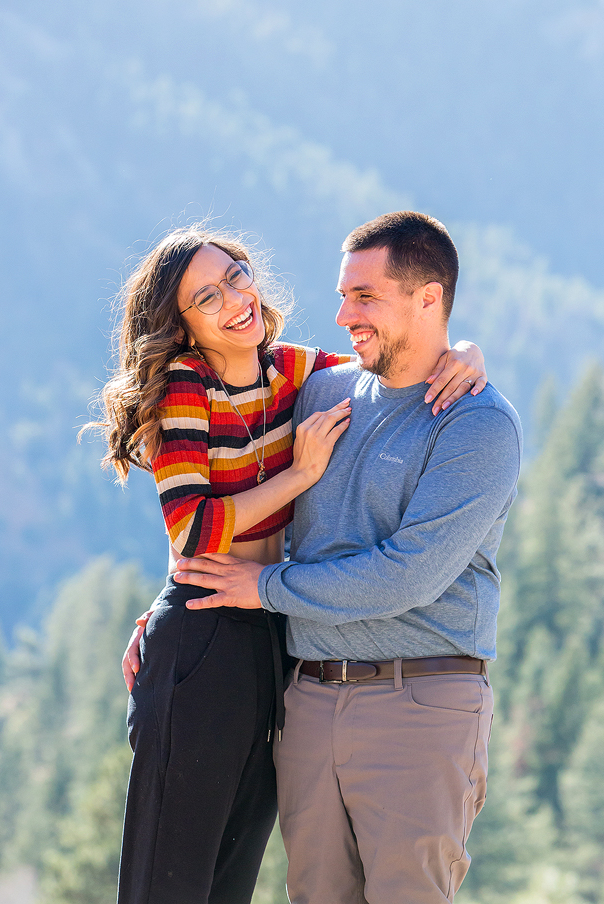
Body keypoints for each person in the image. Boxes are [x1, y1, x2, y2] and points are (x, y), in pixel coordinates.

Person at [102, 224, 487, 904]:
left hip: (271, 638)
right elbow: (193, 532)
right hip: (206, 630)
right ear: (182, 326)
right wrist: (298, 474)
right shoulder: (185, 389)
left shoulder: (296, 374)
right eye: (206, 298)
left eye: (236, 276)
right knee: (170, 880)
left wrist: (461, 351)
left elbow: (389, 359)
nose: (234, 299)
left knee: (232, 878)